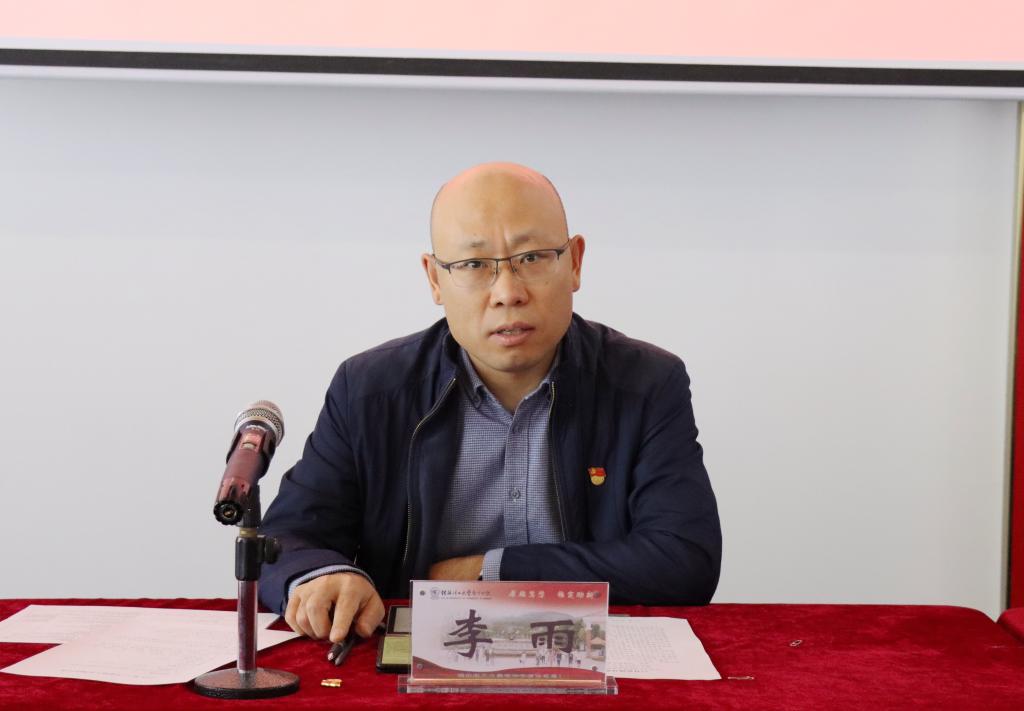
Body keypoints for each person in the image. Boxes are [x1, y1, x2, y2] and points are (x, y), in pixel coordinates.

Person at [258, 162, 721, 647]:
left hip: (584, 653)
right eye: (474, 265)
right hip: (415, 659)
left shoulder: (646, 384)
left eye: (533, 257)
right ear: (434, 279)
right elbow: (286, 538)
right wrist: (323, 575)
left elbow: (684, 560)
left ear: (575, 263)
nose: (508, 293)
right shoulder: (370, 390)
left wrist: (489, 571)